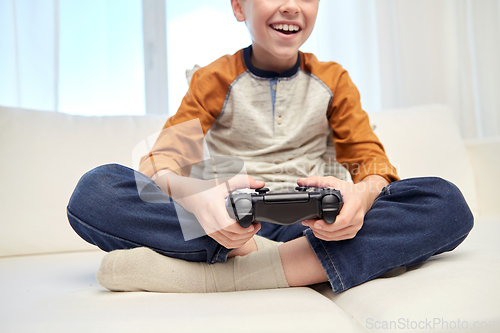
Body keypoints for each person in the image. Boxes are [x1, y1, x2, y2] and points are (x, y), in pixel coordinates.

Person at [67, 0, 473, 293]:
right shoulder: (213, 79)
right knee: (96, 191)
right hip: (232, 225)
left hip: (316, 225)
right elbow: (165, 159)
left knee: (444, 201)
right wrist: (199, 197)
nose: (292, 6)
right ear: (239, 6)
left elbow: (372, 163)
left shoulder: (334, 79)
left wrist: (360, 199)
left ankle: (230, 274)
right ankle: (297, 267)